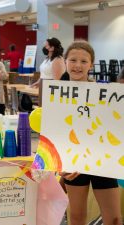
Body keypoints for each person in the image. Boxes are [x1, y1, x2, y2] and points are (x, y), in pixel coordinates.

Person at [61, 40, 122, 225]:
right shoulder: (57, 94)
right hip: (73, 164)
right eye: (73, 60)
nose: (78, 65)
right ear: (65, 62)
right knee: (77, 217)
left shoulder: (104, 94)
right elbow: (54, 134)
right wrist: (59, 163)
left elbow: (114, 128)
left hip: (102, 160)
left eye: (83, 61)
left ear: (91, 64)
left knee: (114, 219)